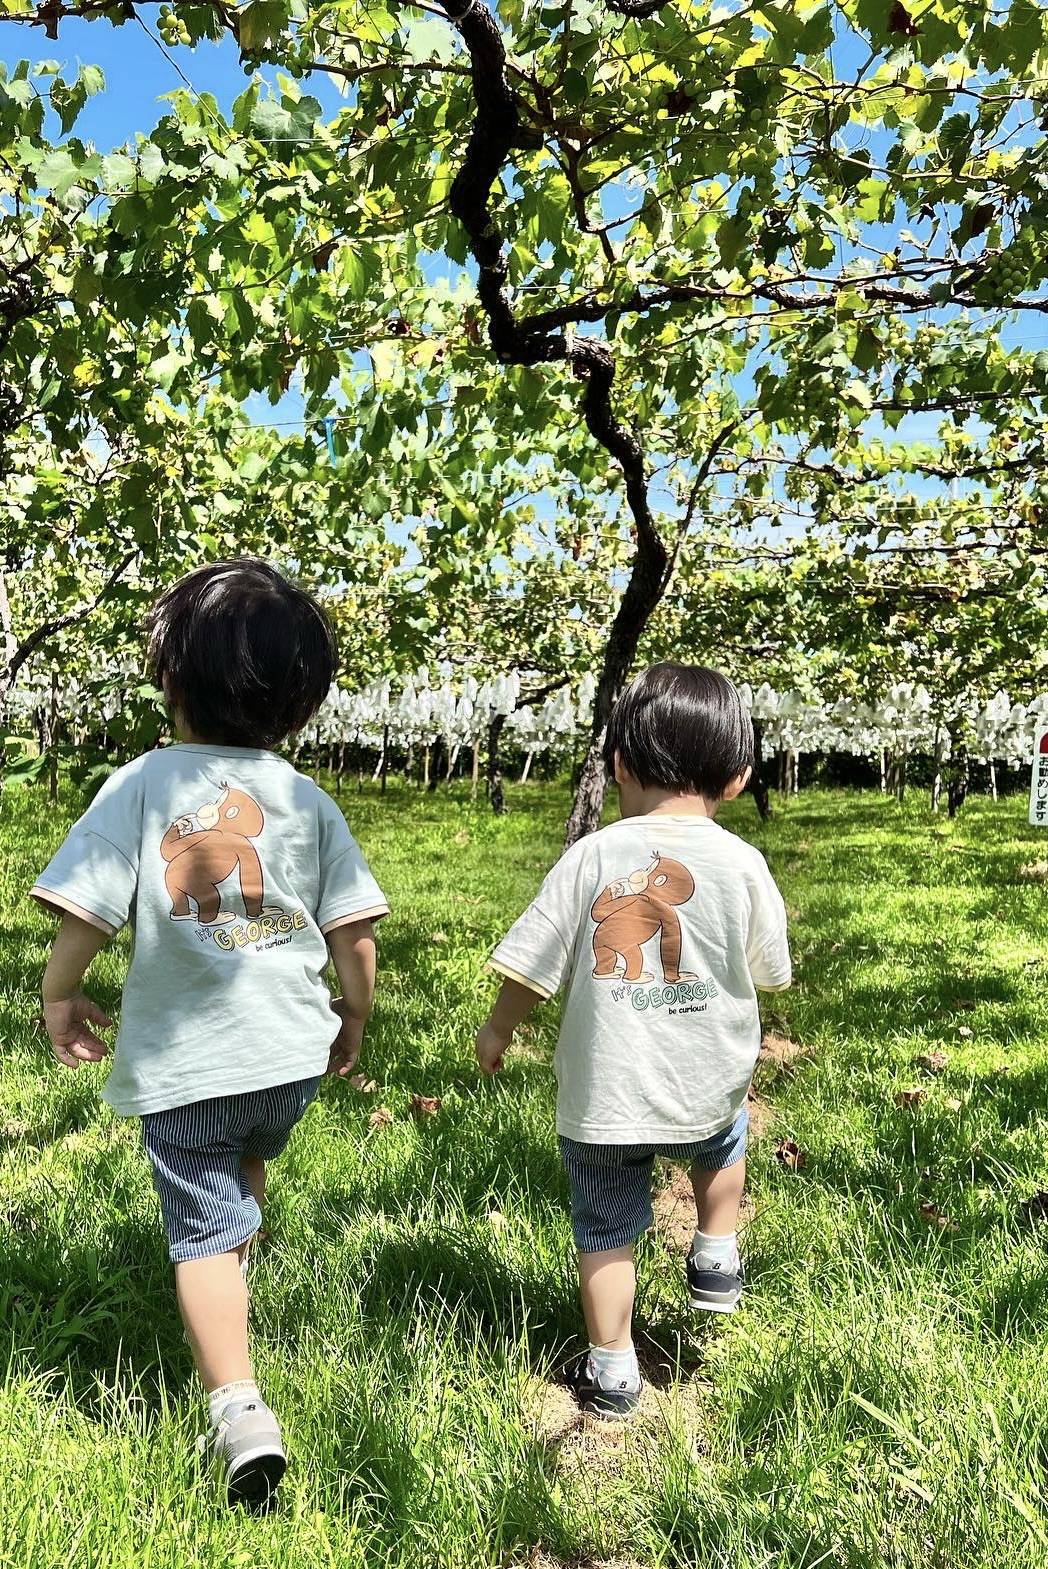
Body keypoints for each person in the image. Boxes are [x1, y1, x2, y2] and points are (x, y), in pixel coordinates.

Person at [32, 560, 388, 1505]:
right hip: (288, 1058)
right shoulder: (309, 799)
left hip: (194, 1063)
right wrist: (355, 1014)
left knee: (198, 1224)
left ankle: (236, 1406)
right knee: (243, 1165)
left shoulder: (144, 782)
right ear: (300, 702)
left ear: (171, 677)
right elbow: (355, 934)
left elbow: (90, 909)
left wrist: (58, 991)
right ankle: (238, 1262)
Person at [475, 663, 791, 1420]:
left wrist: (498, 1026)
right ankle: (716, 1248)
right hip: (706, 1079)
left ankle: (613, 1368)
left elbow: (534, 960)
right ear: (740, 776)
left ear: (618, 762)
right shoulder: (742, 863)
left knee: (606, 1224)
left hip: (605, 1092)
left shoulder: (594, 854)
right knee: (723, 1142)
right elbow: (768, 968)